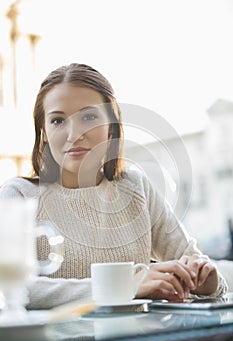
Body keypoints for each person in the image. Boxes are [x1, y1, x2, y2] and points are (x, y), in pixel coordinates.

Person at [0, 63, 227, 309]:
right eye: (57, 120)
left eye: (88, 117)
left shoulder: (135, 187)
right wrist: (124, 286)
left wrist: (205, 280)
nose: (74, 134)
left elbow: (205, 274)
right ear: (43, 131)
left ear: (112, 125)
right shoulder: (19, 196)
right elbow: (10, 288)